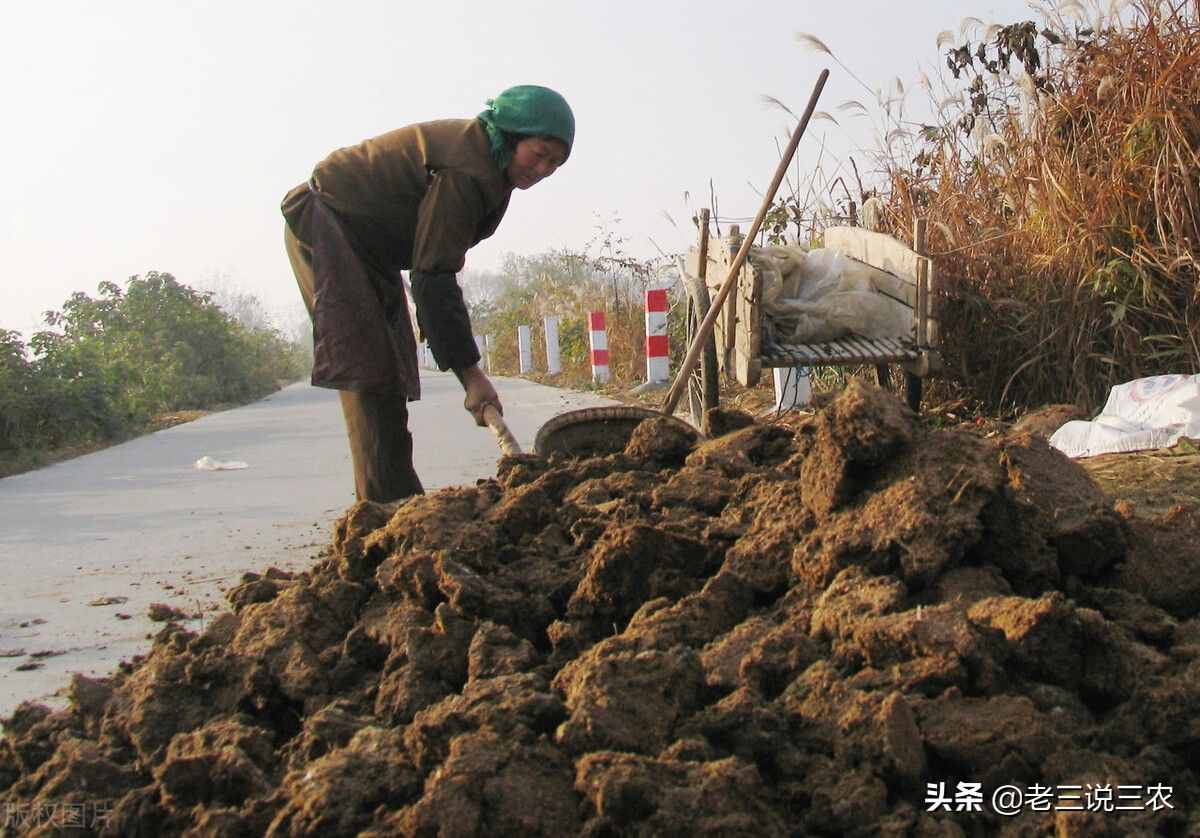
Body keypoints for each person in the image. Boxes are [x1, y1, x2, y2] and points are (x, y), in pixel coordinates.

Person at [282, 85, 573, 503]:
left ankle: (396, 498)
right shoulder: (468, 169)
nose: (544, 169)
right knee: (370, 370)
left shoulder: (495, 169)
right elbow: (434, 277)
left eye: (556, 163)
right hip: (328, 226)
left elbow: (434, 265)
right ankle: (386, 510)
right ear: (510, 135)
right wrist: (471, 377)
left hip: (371, 248)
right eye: (539, 153)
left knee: (392, 366)